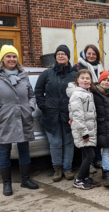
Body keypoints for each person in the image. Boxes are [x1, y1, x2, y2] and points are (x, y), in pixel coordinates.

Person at [0, 45, 39, 196]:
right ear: (2, 58)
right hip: (5, 119)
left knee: (24, 150)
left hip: (23, 117)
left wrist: (30, 107)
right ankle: (7, 184)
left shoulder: (23, 75)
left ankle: (25, 180)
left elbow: (32, 95)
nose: (12, 59)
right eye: (8, 56)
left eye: (14, 56)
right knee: (4, 151)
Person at [35, 45, 77, 182]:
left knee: (69, 143)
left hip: (68, 115)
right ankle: (57, 168)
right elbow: (38, 90)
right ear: (55, 57)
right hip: (50, 115)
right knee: (55, 143)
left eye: (63, 54)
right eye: (58, 54)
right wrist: (43, 105)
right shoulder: (47, 74)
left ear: (68, 57)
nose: (60, 56)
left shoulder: (74, 74)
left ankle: (67, 168)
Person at [66, 69, 100, 189]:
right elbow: (78, 115)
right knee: (90, 156)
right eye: (83, 78)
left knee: (85, 155)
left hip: (88, 128)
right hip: (83, 130)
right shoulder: (77, 94)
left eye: (87, 78)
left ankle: (86, 178)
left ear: (91, 80)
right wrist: (84, 133)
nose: (85, 80)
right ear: (78, 80)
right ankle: (79, 179)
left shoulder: (87, 92)